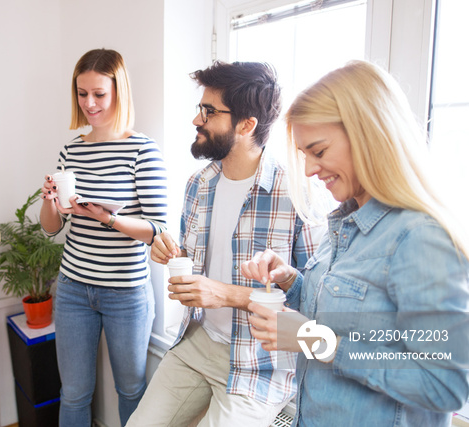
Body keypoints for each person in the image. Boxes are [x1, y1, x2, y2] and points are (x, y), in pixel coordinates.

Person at [241, 60, 469, 427]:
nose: (310, 169)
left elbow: (444, 384)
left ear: (369, 134)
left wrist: (314, 340)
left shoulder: (420, 237)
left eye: (319, 150)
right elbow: (349, 314)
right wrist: (290, 281)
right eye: (305, 155)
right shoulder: (345, 223)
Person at [127, 61, 326, 427]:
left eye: (209, 111)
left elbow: (314, 299)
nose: (196, 119)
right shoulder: (198, 184)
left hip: (260, 364)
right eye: (200, 108)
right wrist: (169, 254)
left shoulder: (298, 193)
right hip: (199, 342)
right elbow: (194, 262)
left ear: (247, 124)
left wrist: (225, 294)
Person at [39, 48, 168, 426]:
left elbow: (157, 230)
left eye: (99, 93)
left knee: (131, 390)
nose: (89, 103)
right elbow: (52, 227)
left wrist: (110, 219)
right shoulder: (71, 150)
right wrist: (50, 201)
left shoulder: (142, 150)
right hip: (74, 288)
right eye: (82, 94)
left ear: (118, 92)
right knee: (74, 394)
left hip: (126, 293)